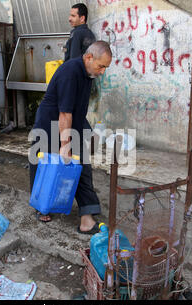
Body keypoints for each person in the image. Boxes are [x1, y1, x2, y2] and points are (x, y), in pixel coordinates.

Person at [29, 41, 112, 234]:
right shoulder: (70, 72)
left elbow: (76, 109)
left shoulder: (88, 73)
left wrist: (87, 131)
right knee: (45, 166)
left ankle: (87, 218)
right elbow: (64, 113)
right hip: (50, 124)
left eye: (105, 68)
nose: (102, 72)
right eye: (101, 66)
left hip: (71, 123)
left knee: (81, 167)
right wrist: (65, 145)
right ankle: (42, 206)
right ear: (89, 57)